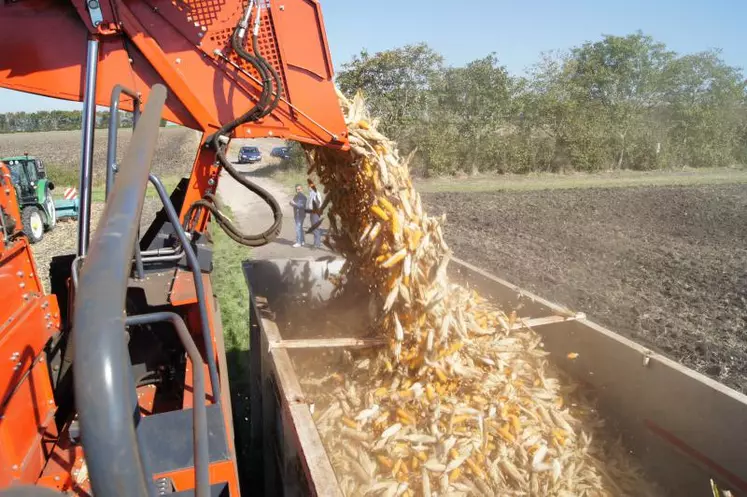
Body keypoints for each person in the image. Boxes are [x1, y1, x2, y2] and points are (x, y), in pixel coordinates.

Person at [306, 178, 323, 249]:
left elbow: (318, 203)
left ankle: (316, 244)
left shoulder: (316, 193)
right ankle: (318, 242)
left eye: (310, 185)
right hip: (312, 212)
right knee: (315, 228)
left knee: (315, 228)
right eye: (309, 185)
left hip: (315, 213)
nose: (309, 187)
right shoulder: (312, 193)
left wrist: (315, 210)